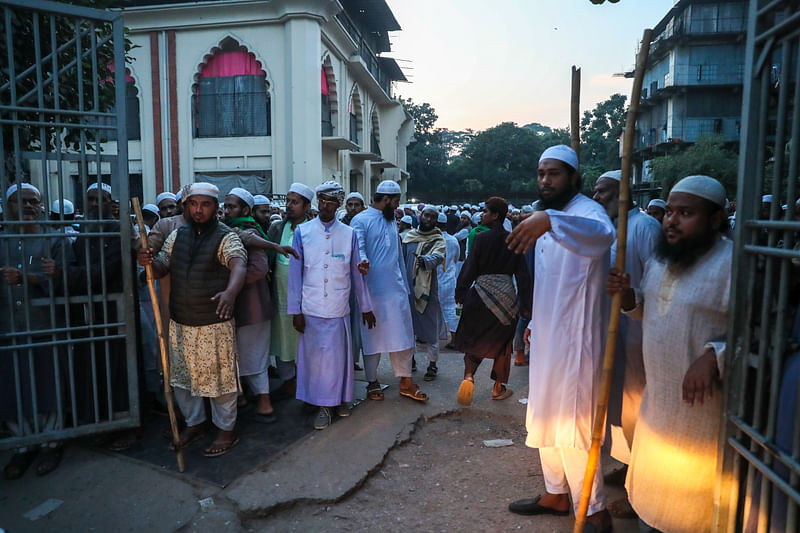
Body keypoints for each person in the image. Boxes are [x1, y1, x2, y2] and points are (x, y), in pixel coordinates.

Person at [606, 175, 732, 533]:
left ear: (716, 218)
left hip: (702, 419)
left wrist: (713, 356)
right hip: (657, 406)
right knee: (652, 502)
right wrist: (628, 298)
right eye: (670, 211)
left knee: (691, 512)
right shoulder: (663, 260)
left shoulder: (734, 265)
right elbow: (653, 310)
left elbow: (762, 335)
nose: (671, 220)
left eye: (685, 213)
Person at [506, 145, 615, 533]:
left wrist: (549, 220)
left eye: (553, 173)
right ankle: (555, 493)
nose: (545, 181)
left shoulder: (587, 213)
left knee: (574, 425)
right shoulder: (550, 218)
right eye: (541, 173)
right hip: (548, 334)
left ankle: (595, 508)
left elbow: (602, 236)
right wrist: (533, 324)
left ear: (573, 177)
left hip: (576, 341)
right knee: (544, 415)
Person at [142, 182, 247, 457]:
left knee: (221, 381)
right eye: (193, 204)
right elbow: (162, 266)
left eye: (205, 204)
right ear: (186, 206)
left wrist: (230, 292)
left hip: (214, 325)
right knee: (183, 379)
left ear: (216, 207)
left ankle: (226, 430)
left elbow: (238, 263)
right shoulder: (177, 236)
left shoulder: (227, 237)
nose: (198, 210)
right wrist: (149, 262)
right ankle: (195, 423)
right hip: (181, 322)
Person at [592, 169, 661, 518]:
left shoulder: (645, 227)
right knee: (613, 406)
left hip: (636, 334)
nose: (597, 197)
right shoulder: (603, 229)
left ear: (623, 193)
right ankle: (629, 465)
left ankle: (643, 488)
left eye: (603, 192)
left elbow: (656, 279)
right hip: (608, 331)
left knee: (637, 406)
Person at [287, 181, 375, 429]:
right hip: (311, 308)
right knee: (317, 362)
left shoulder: (349, 234)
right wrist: (296, 310)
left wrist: (365, 306)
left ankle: (340, 400)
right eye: (322, 200)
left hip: (338, 308)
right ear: (317, 202)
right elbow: (295, 276)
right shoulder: (302, 232)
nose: (325, 205)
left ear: (338, 205)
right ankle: (323, 406)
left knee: (338, 360)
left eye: (331, 201)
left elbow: (357, 274)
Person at [1, 183, 73, 479]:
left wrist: (29, 279)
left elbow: (69, 280)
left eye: (34, 202)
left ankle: (51, 441)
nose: (29, 207)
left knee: (48, 383)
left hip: (45, 324)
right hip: (7, 326)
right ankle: (23, 445)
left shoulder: (54, 240)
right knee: (14, 386)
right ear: (8, 207)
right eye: (21, 202)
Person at [351, 180, 428, 403]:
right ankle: (372, 382)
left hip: (396, 290)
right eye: (395, 202)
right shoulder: (361, 219)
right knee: (372, 338)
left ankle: (406, 382)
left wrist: (405, 287)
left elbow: (395, 256)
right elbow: (360, 246)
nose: (397, 206)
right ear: (385, 199)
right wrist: (363, 260)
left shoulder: (390, 220)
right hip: (371, 292)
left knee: (402, 336)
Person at [453, 197, 531, 404]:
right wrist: (527, 305)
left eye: (486, 211)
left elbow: (469, 269)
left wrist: (460, 293)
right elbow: (523, 275)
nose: (482, 215)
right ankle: (498, 388)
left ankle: (468, 377)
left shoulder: (480, 240)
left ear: (496, 215)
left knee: (473, 340)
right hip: (506, 300)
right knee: (503, 344)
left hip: (479, 297)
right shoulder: (514, 239)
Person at [223, 187, 275, 422]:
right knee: (239, 355)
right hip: (239, 306)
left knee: (255, 356)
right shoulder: (233, 230)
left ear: (245, 209)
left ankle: (264, 401)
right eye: (225, 206)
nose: (226, 211)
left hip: (252, 305)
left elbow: (259, 269)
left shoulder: (251, 231)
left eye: (231, 206)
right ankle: (243, 397)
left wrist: (229, 284)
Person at [267, 183, 314, 398]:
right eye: (287, 201)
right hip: (279, 292)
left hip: (305, 296)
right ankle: (288, 380)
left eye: (294, 202)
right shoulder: (277, 228)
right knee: (281, 337)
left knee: (303, 338)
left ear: (307, 206)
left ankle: (306, 380)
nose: (289, 206)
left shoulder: (313, 229)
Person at [402, 206, 447, 382]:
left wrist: (424, 260)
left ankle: (432, 364)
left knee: (430, 329)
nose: (428, 219)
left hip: (427, 291)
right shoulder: (408, 237)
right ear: (420, 216)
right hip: (407, 289)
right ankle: (410, 360)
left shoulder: (438, 240)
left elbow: (438, 257)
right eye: (426, 215)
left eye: (433, 217)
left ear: (436, 220)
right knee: (408, 329)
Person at [437, 212, 461, 336]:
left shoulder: (431, 240)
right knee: (451, 309)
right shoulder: (453, 240)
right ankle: (454, 338)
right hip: (449, 280)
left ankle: (430, 337)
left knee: (432, 310)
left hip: (434, 280)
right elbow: (455, 258)